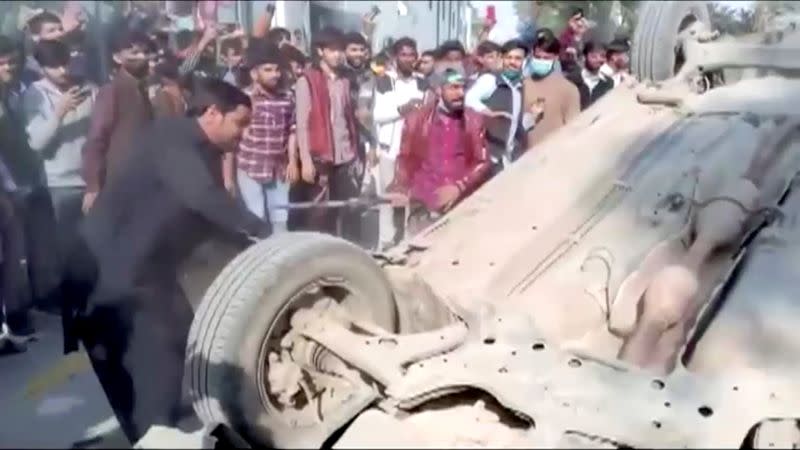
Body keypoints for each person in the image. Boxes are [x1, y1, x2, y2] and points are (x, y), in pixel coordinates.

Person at [60, 78, 268, 444]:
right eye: (240, 123)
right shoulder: (172, 139)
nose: (244, 135)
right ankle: (155, 435)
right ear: (212, 113)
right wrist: (263, 233)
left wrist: (251, 251)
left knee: (185, 349)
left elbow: (203, 224)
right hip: (111, 279)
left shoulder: (196, 149)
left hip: (144, 274)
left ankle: (162, 433)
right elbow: (201, 198)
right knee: (152, 382)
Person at [22, 39, 96, 300]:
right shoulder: (35, 94)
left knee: (91, 249)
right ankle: (68, 308)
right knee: (66, 252)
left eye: (65, 63)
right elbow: (37, 142)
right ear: (42, 68)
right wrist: (58, 112)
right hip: (58, 185)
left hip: (88, 182)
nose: (63, 71)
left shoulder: (86, 88)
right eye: (54, 66)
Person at [387, 66, 490, 236]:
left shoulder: (473, 119)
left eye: (463, 87)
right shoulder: (416, 120)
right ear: (438, 90)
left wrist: (458, 187)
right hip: (423, 204)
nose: (461, 93)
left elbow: (482, 161)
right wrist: (401, 186)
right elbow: (406, 158)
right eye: (454, 88)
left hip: (459, 203)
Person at [293, 27, 362, 240]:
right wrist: (305, 160)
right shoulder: (307, 80)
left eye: (341, 49)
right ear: (320, 51)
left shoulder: (346, 79)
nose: (338, 54)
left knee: (346, 208)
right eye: (332, 50)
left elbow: (351, 118)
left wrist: (356, 153)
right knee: (319, 211)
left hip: (345, 154)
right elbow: (302, 123)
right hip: (319, 155)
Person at [81, 30, 154, 213]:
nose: (142, 57)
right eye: (134, 53)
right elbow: (97, 138)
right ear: (117, 57)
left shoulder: (142, 89)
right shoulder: (111, 91)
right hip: (120, 183)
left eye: (145, 52)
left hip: (144, 179)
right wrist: (93, 186)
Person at [372, 37, 427, 250]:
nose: (408, 59)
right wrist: (403, 109)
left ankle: (406, 242)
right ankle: (385, 244)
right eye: (403, 55)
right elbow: (378, 115)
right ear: (395, 57)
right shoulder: (385, 80)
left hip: (414, 151)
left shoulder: (422, 82)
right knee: (387, 200)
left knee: (408, 200)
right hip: (390, 150)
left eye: (412, 55)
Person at [237, 40, 296, 233]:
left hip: (277, 169)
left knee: (280, 220)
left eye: (277, 70)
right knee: (257, 220)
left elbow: (292, 131)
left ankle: (281, 261)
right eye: (268, 70)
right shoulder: (244, 99)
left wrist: (292, 162)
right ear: (254, 74)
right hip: (250, 168)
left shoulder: (287, 98)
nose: (275, 75)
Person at [465, 39, 543, 177]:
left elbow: (515, 124)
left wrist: (532, 117)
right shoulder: (491, 80)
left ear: (524, 61)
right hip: (490, 157)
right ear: (502, 59)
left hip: (509, 158)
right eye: (509, 58)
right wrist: (488, 113)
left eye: (518, 58)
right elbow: (469, 100)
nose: (513, 62)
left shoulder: (520, 87)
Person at [522, 28, 580, 149]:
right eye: (538, 57)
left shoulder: (568, 89)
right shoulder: (521, 85)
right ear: (532, 55)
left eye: (546, 58)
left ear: (555, 58)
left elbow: (574, 129)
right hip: (523, 157)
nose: (541, 61)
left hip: (554, 157)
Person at [566, 41, 614, 110]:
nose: (598, 59)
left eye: (602, 56)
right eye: (593, 56)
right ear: (584, 57)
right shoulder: (571, 80)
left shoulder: (608, 82)